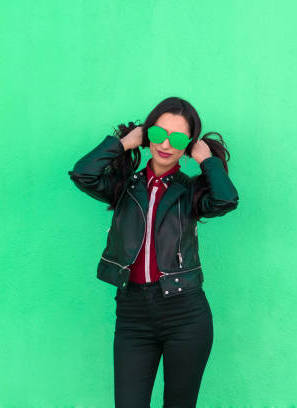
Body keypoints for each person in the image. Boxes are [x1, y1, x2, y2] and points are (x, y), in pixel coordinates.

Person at [68, 96, 239, 407]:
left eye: (178, 138)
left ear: (188, 145)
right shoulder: (123, 187)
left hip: (185, 313)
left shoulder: (190, 192)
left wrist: (206, 160)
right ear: (147, 136)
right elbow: (83, 173)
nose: (165, 144)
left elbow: (225, 200)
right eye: (159, 134)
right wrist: (122, 143)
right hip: (133, 315)